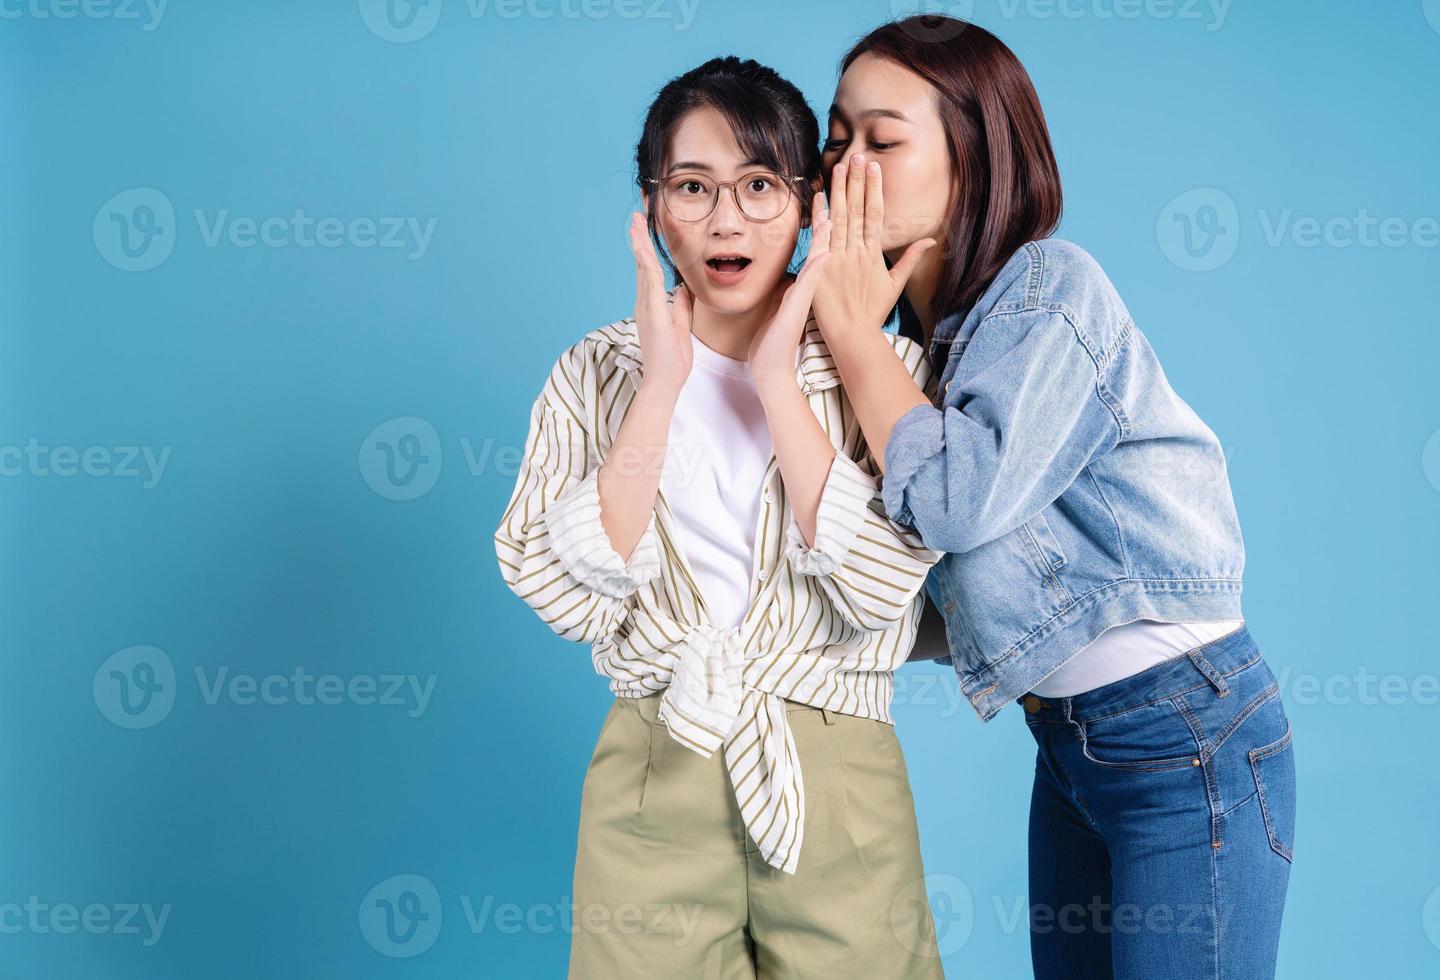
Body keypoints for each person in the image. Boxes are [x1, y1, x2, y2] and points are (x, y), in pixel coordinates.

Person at [809, 16, 1296, 979]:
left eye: (882, 139)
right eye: (835, 140)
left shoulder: (1048, 291)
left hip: (1184, 736)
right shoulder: (914, 348)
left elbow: (954, 502)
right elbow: (897, 572)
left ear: (974, 159)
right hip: (1072, 748)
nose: (846, 169)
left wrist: (852, 336)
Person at [495, 56, 948, 978]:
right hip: (657, 762)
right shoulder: (597, 372)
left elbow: (879, 589)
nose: (725, 220)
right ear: (654, 207)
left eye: (758, 186)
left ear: (809, 204)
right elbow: (559, 592)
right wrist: (659, 388)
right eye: (692, 188)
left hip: (836, 768)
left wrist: (779, 377)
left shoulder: (879, 366)